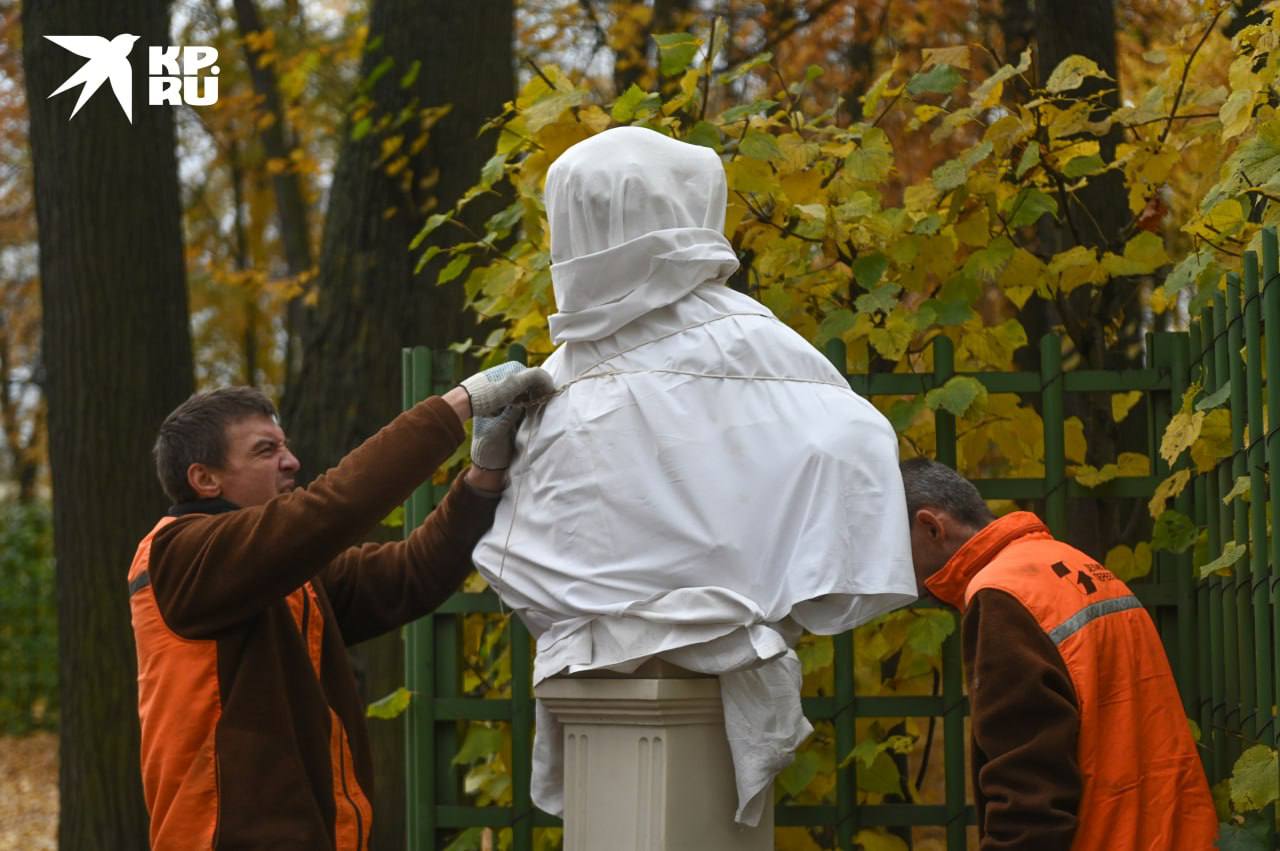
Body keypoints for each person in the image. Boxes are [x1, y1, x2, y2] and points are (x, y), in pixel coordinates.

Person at [472, 125, 916, 826]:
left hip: (634, 689)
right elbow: (854, 449)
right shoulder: (556, 387)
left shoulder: (560, 395)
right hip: (622, 693)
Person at [128, 362, 552, 850]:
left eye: (284, 446)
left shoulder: (279, 574)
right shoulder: (179, 555)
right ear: (204, 479)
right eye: (266, 451)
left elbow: (410, 574)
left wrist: (484, 475)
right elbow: (331, 508)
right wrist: (457, 405)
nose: (290, 462)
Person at [899, 457, 1217, 849]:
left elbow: (1028, 795)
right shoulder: (1067, 564)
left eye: (896, 551)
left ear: (931, 526)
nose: (897, 572)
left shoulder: (1001, 597)